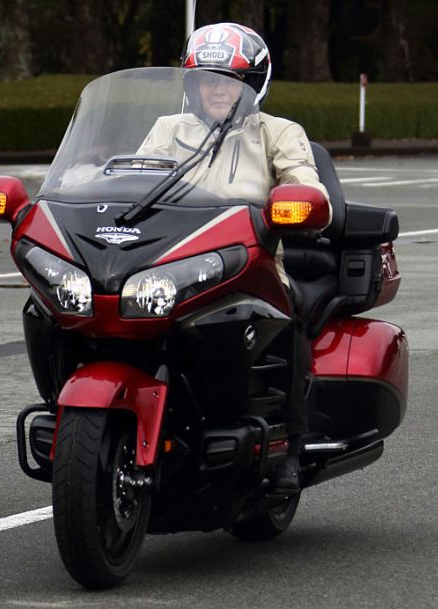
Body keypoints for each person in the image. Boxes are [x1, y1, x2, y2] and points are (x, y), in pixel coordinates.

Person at [138, 22, 332, 493]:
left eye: (229, 81)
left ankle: (292, 446)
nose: (218, 90)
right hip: (172, 262)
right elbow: (134, 179)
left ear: (251, 85)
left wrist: (296, 199)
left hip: (251, 263)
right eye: (208, 80)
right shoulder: (169, 129)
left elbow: (304, 181)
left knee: (284, 323)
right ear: (193, 85)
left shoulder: (277, 133)